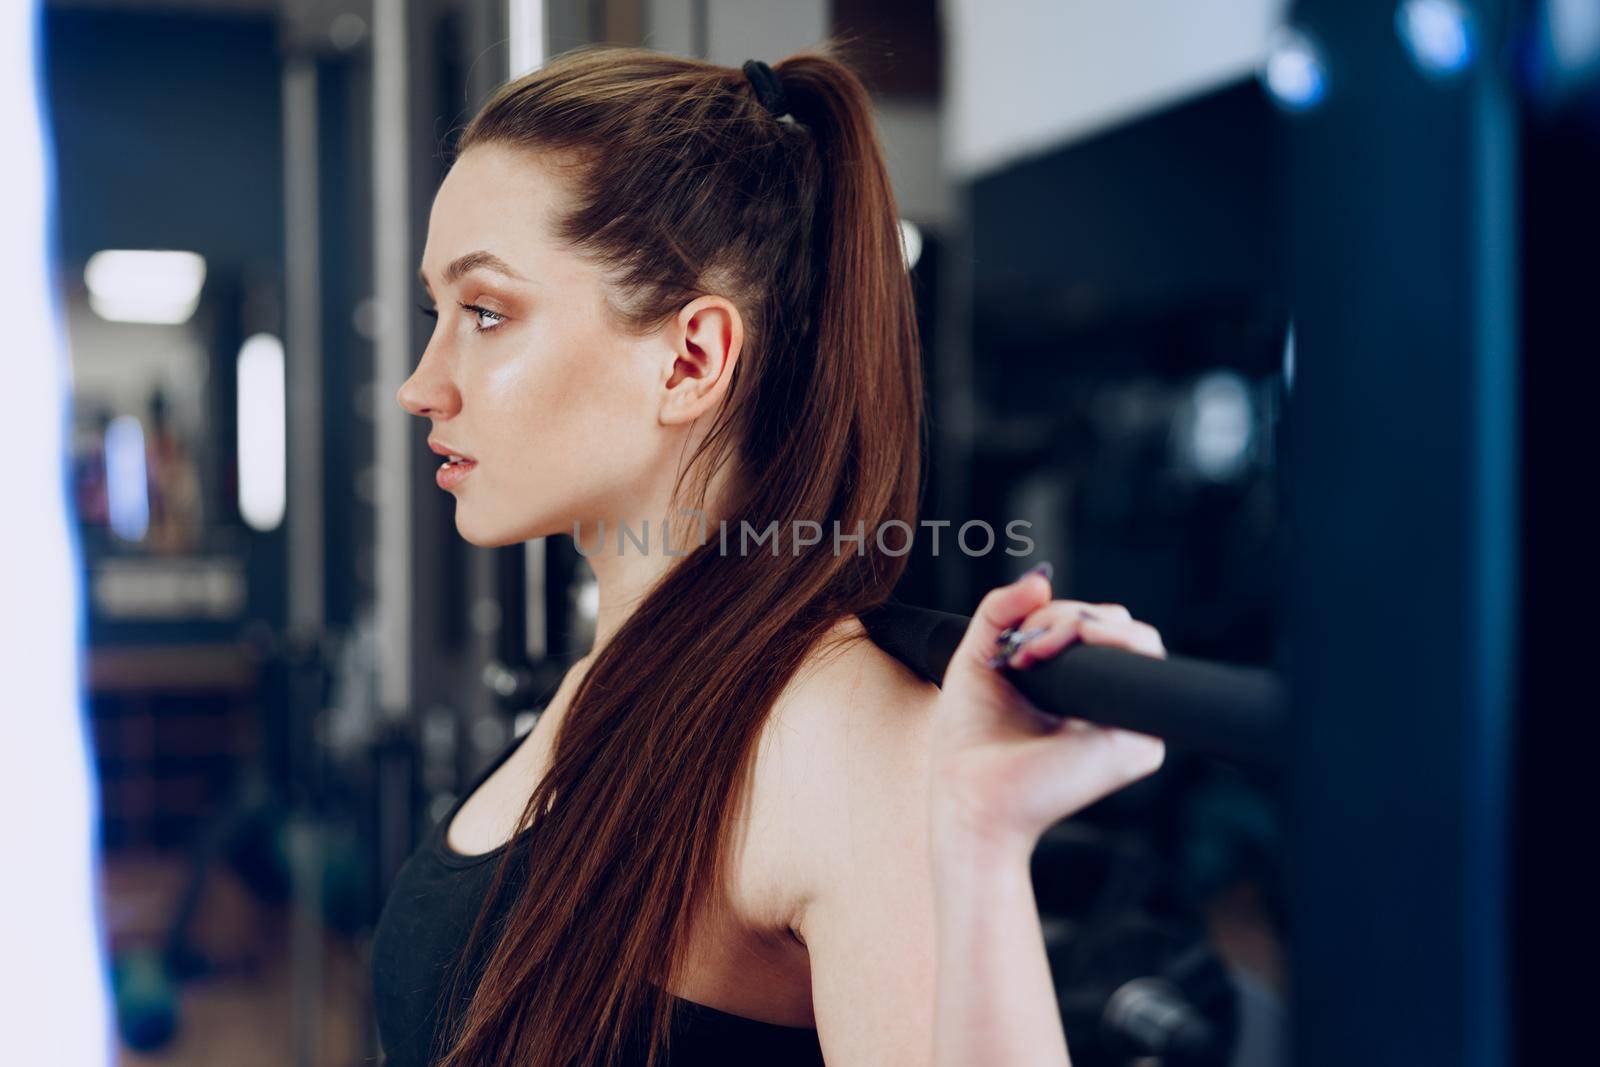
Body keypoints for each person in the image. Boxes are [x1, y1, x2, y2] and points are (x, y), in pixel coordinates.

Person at [376, 43, 1166, 1067]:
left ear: (691, 358)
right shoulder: (606, 684)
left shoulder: (837, 737)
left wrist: (974, 832)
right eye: (437, 313)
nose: (420, 383)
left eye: (484, 312)